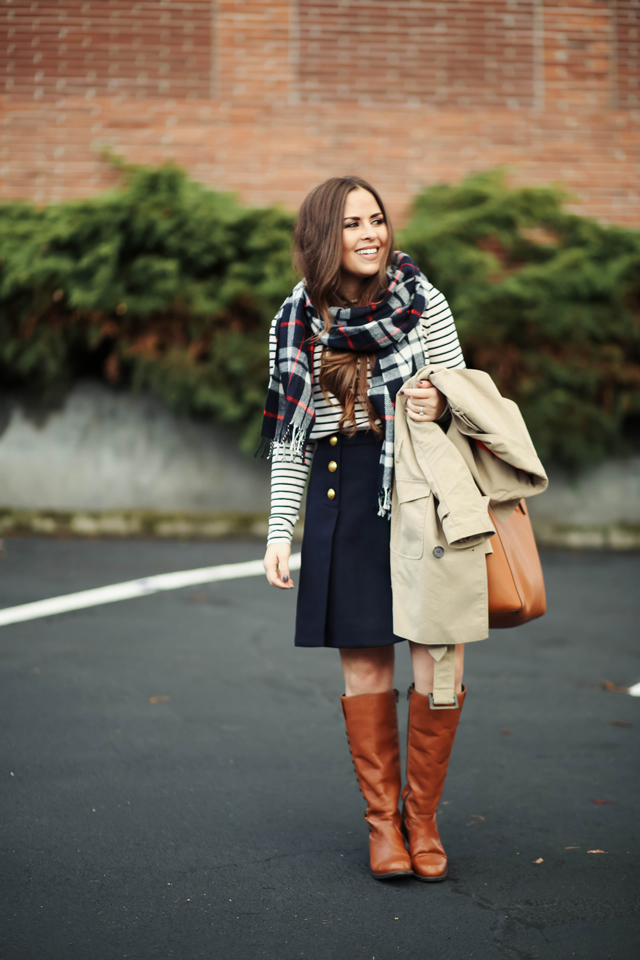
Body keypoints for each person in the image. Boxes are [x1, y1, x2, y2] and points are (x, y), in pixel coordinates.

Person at [261, 176, 467, 882]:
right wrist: (278, 530)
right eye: (353, 223)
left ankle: (423, 819)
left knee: (439, 658)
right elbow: (292, 437)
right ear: (326, 236)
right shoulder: (296, 320)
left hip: (421, 492)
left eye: (377, 219)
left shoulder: (421, 298)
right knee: (368, 664)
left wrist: (438, 400)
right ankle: (384, 826)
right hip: (341, 492)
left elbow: (463, 395)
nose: (371, 233)